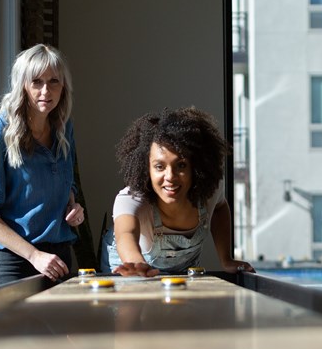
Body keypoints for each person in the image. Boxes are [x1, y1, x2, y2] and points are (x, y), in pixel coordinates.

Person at [0, 44, 85, 286]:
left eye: (54, 81)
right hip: (12, 263)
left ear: (64, 86)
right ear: (22, 84)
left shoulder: (64, 128)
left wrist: (73, 208)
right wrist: (34, 255)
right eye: (36, 82)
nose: (46, 90)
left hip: (58, 258)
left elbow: (65, 183)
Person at [104, 106, 254, 277]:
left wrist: (226, 259)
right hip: (129, 265)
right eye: (159, 167)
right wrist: (137, 264)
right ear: (146, 169)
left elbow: (220, 208)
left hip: (182, 271)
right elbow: (126, 234)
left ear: (195, 167)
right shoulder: (131, 198)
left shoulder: (210, 190)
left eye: (181, 165)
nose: (170, 176)